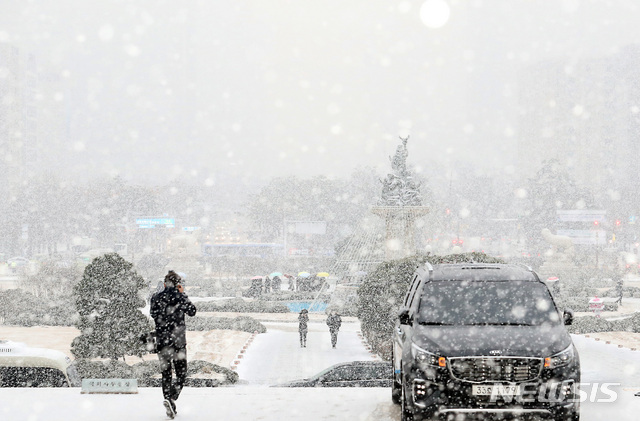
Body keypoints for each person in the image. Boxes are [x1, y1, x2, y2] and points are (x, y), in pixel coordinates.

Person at [150, 270, 197, 419]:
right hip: (178, 342)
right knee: (181, 374)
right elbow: (192, 311)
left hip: (162, 341)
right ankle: (172, 397)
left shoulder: (156, 298)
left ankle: (167, 398)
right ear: (179, 284)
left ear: (164, 283)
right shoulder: (180, 297)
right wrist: (182, 295)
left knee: (166, 373)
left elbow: (153, 314)